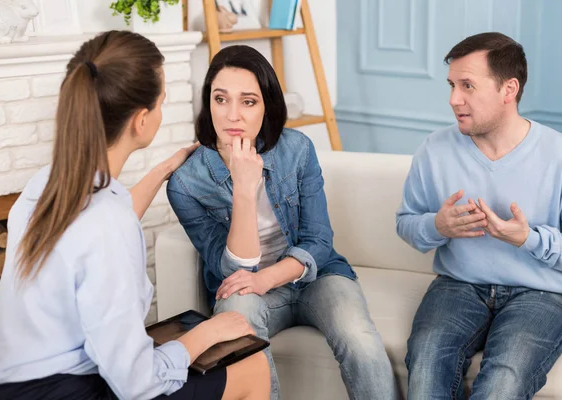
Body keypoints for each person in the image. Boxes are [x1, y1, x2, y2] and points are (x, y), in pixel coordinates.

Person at [0, 30, 270, 400]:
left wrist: (161, 170)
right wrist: (202, 335)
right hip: (65, 390)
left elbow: (97, 228)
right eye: (161, 103)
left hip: (10, 381)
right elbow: (137, 384)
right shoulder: (109, 225)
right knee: (250, 366)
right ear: (141, 121)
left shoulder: (44, 185)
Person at [167, 45, 396, 400]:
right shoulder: (186, 184)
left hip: (315, 278)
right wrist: (243, 189)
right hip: (246, 290)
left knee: (360, 339)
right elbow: (229, 268)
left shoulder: (297, 150)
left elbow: (318, 241)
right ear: (208, 102)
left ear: (267, 105)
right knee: (235, 316)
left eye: (248, 101)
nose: (232, 115)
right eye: (220, 99)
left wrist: (266, 278)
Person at [397, 32, 562, 399]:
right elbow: (406, 222)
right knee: (425, 364)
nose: (454, 99)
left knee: (504, 380)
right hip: (458, 285)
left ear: (509, 89)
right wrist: (436, 226)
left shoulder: (561, 155)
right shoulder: (434, 150)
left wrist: (529, 239)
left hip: (540, 293)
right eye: (452, 85)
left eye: (468, 85)